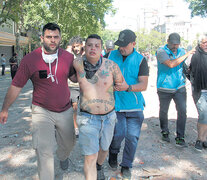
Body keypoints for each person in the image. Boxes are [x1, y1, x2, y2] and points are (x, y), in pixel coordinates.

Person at [0, 23, 76, 180]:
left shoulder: (68, 57)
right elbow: (16, 86)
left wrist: (87, 70)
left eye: (56, 37)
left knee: (69, 144)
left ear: (60, 39)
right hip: (41, 110)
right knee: (44, 150)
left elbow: (75, 78)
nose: (52, 40)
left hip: (65, 109)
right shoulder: (30, 59)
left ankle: (63, 156)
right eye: (49, 37)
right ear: (42, 38)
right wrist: (5, 108)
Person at [73, 34, 124, 180]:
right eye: (89, 45)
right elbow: (74, 81)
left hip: (109, 117)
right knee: (90, 156)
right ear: (85, 47)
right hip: (87, 118)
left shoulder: (112, 66)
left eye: (97, 45)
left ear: (101, 48)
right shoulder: (77, 64)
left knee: (104, 148)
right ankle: (94, 170)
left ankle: (99, 166)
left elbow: (120, 83)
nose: (93, 48)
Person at [108, 29, 149, 179]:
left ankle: (126, 165)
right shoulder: (111, 55)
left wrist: (128, 88)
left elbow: (143, 85)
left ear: (134, 44)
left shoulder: (141, 60)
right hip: (116, 104)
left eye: (125, 45)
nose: (121, 48)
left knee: (132, 137)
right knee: (118, 134)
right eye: (120, 45)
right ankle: (113, 152)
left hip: (134, 105)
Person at [156, 32, 195, 147]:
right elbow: (171, 64)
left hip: (180, 87)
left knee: (182, 112)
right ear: (167, 42)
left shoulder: (181, 51)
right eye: (173, 44)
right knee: (164, 111)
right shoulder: (161, 51)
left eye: (177, 44)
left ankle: (180, 136)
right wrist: (187, 54)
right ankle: (165, 131)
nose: (175, 46)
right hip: (164, 88)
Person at [187, 34, 207, 151]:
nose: (206, 44)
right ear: (200, 43)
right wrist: (193, 81)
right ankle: (199, 139)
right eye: (204, 42)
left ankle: (205, 139)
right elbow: (186, 69)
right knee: (203, 114)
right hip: (200, 90)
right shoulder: (193, 55)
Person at [68, 36, 85, 137]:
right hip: (73, 86)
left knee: (85, 108)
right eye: (74, 47)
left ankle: (84, 127)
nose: (76, 49)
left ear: (82, 45)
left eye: (77, 46)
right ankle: (76, 128)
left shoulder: (86, 55)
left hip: (85, 86)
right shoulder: (70, 56)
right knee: (74, 107)